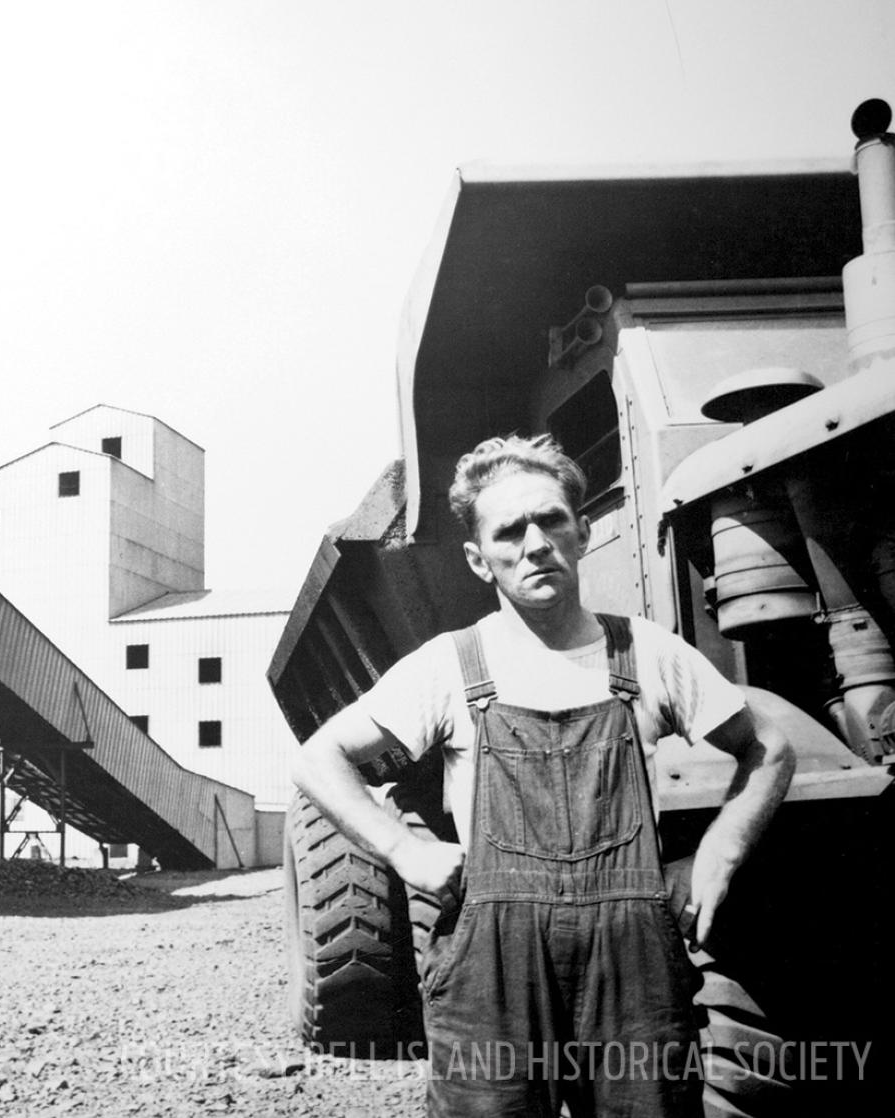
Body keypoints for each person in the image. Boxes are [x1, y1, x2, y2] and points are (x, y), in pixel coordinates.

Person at [292, 434, 795, 1117]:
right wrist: (404, 850)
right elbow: (318, 757)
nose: (535, 543)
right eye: (509, 531)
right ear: (478, 559)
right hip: (490, 968)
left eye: (551, 519)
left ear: (582, 531)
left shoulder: (647, 653)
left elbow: (767, 742)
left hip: (632, 965)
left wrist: (717, 856)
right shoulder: (450, 666)